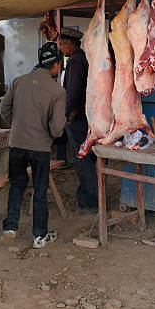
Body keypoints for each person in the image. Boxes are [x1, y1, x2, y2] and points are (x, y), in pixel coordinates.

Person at [0, 42, 66, 248]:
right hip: (40, 147)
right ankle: (39, 236)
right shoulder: (57, 91)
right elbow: (57, 129)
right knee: (39, 188)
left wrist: (17, 125)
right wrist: (48, 133)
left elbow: (3, 107)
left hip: (17, 143)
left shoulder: (19, 81)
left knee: (17, 184)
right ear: (56, 65)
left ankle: (10, 227)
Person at [58, 27, 98, 214]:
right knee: (89, 155)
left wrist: (65, 114)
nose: (60, 48)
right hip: (88, 115)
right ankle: (94, 195)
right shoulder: (84, 58)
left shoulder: (74, 62)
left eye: (61, 44)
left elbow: (72, 93)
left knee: (82, 158)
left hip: (77, 117)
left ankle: (89, 201)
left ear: (70, 44)